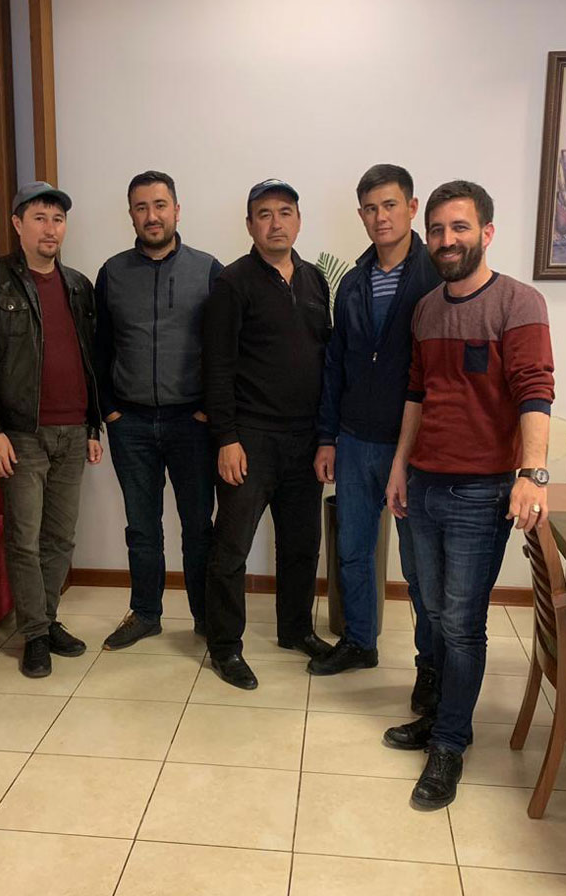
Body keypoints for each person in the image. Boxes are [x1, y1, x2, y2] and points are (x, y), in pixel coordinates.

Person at [384, 180, 555, 809]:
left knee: (461, 624)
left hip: (481, 494)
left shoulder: (519, 303)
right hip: (423, 482)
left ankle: (450, 744)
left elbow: (535, 390)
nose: (446, 240)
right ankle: (437, 716)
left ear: (486, 233)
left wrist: (532, 473)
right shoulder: (427, 309)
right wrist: (399, 468)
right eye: (436, 229)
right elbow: (416, 393)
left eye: (459, 227)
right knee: (430, 611)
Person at [311, 164, 440, 716]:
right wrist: (327, 437)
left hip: (415, 446)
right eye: (370, 208)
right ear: (361, 215)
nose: (380, 217)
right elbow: (336, 363)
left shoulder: (437, 274)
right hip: (355, 439)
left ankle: (429, 668)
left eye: (390, 205)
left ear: (412, 208)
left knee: (418, 568)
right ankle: (359, 641)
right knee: (353, 551)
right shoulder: (354, 280)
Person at [0, 182, 103, 678]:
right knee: (24, 538)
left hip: (74, 430)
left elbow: (91, 359)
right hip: (21, 433)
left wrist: (93, 425)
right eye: (40, 218)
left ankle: (46, 618)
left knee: (60, 538)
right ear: (18, 224)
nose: (50, 228)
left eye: (58, 219)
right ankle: (35, 634)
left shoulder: (78, 285)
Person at [202, 179, 333, 690]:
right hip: (250, 438)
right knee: (231, 547)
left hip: (305, 440)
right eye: (264, 214)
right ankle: (224, 646)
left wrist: (326, 436)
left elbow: (324, 358)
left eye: (284, 212)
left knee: (301, 544)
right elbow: (217, 366)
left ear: (298, 220)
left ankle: (295, 629)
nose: (275, 223)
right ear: (250, 224)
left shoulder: (315, 281)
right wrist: (226, 438)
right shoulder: (232, 283)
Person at [95, 171, 221, 649]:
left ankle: (206, 616)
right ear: (131, 214)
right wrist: (109, 410)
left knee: (198, 527)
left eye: (160, 205)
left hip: (192, 423)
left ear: (177, 210)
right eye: (142, 207)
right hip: (131, 423)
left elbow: (223, 348)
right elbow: (100, 347)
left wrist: (209, 407)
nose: (152, 216)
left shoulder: (208, 270)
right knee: (142, 527)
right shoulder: (112, 273)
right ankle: (146, 612)